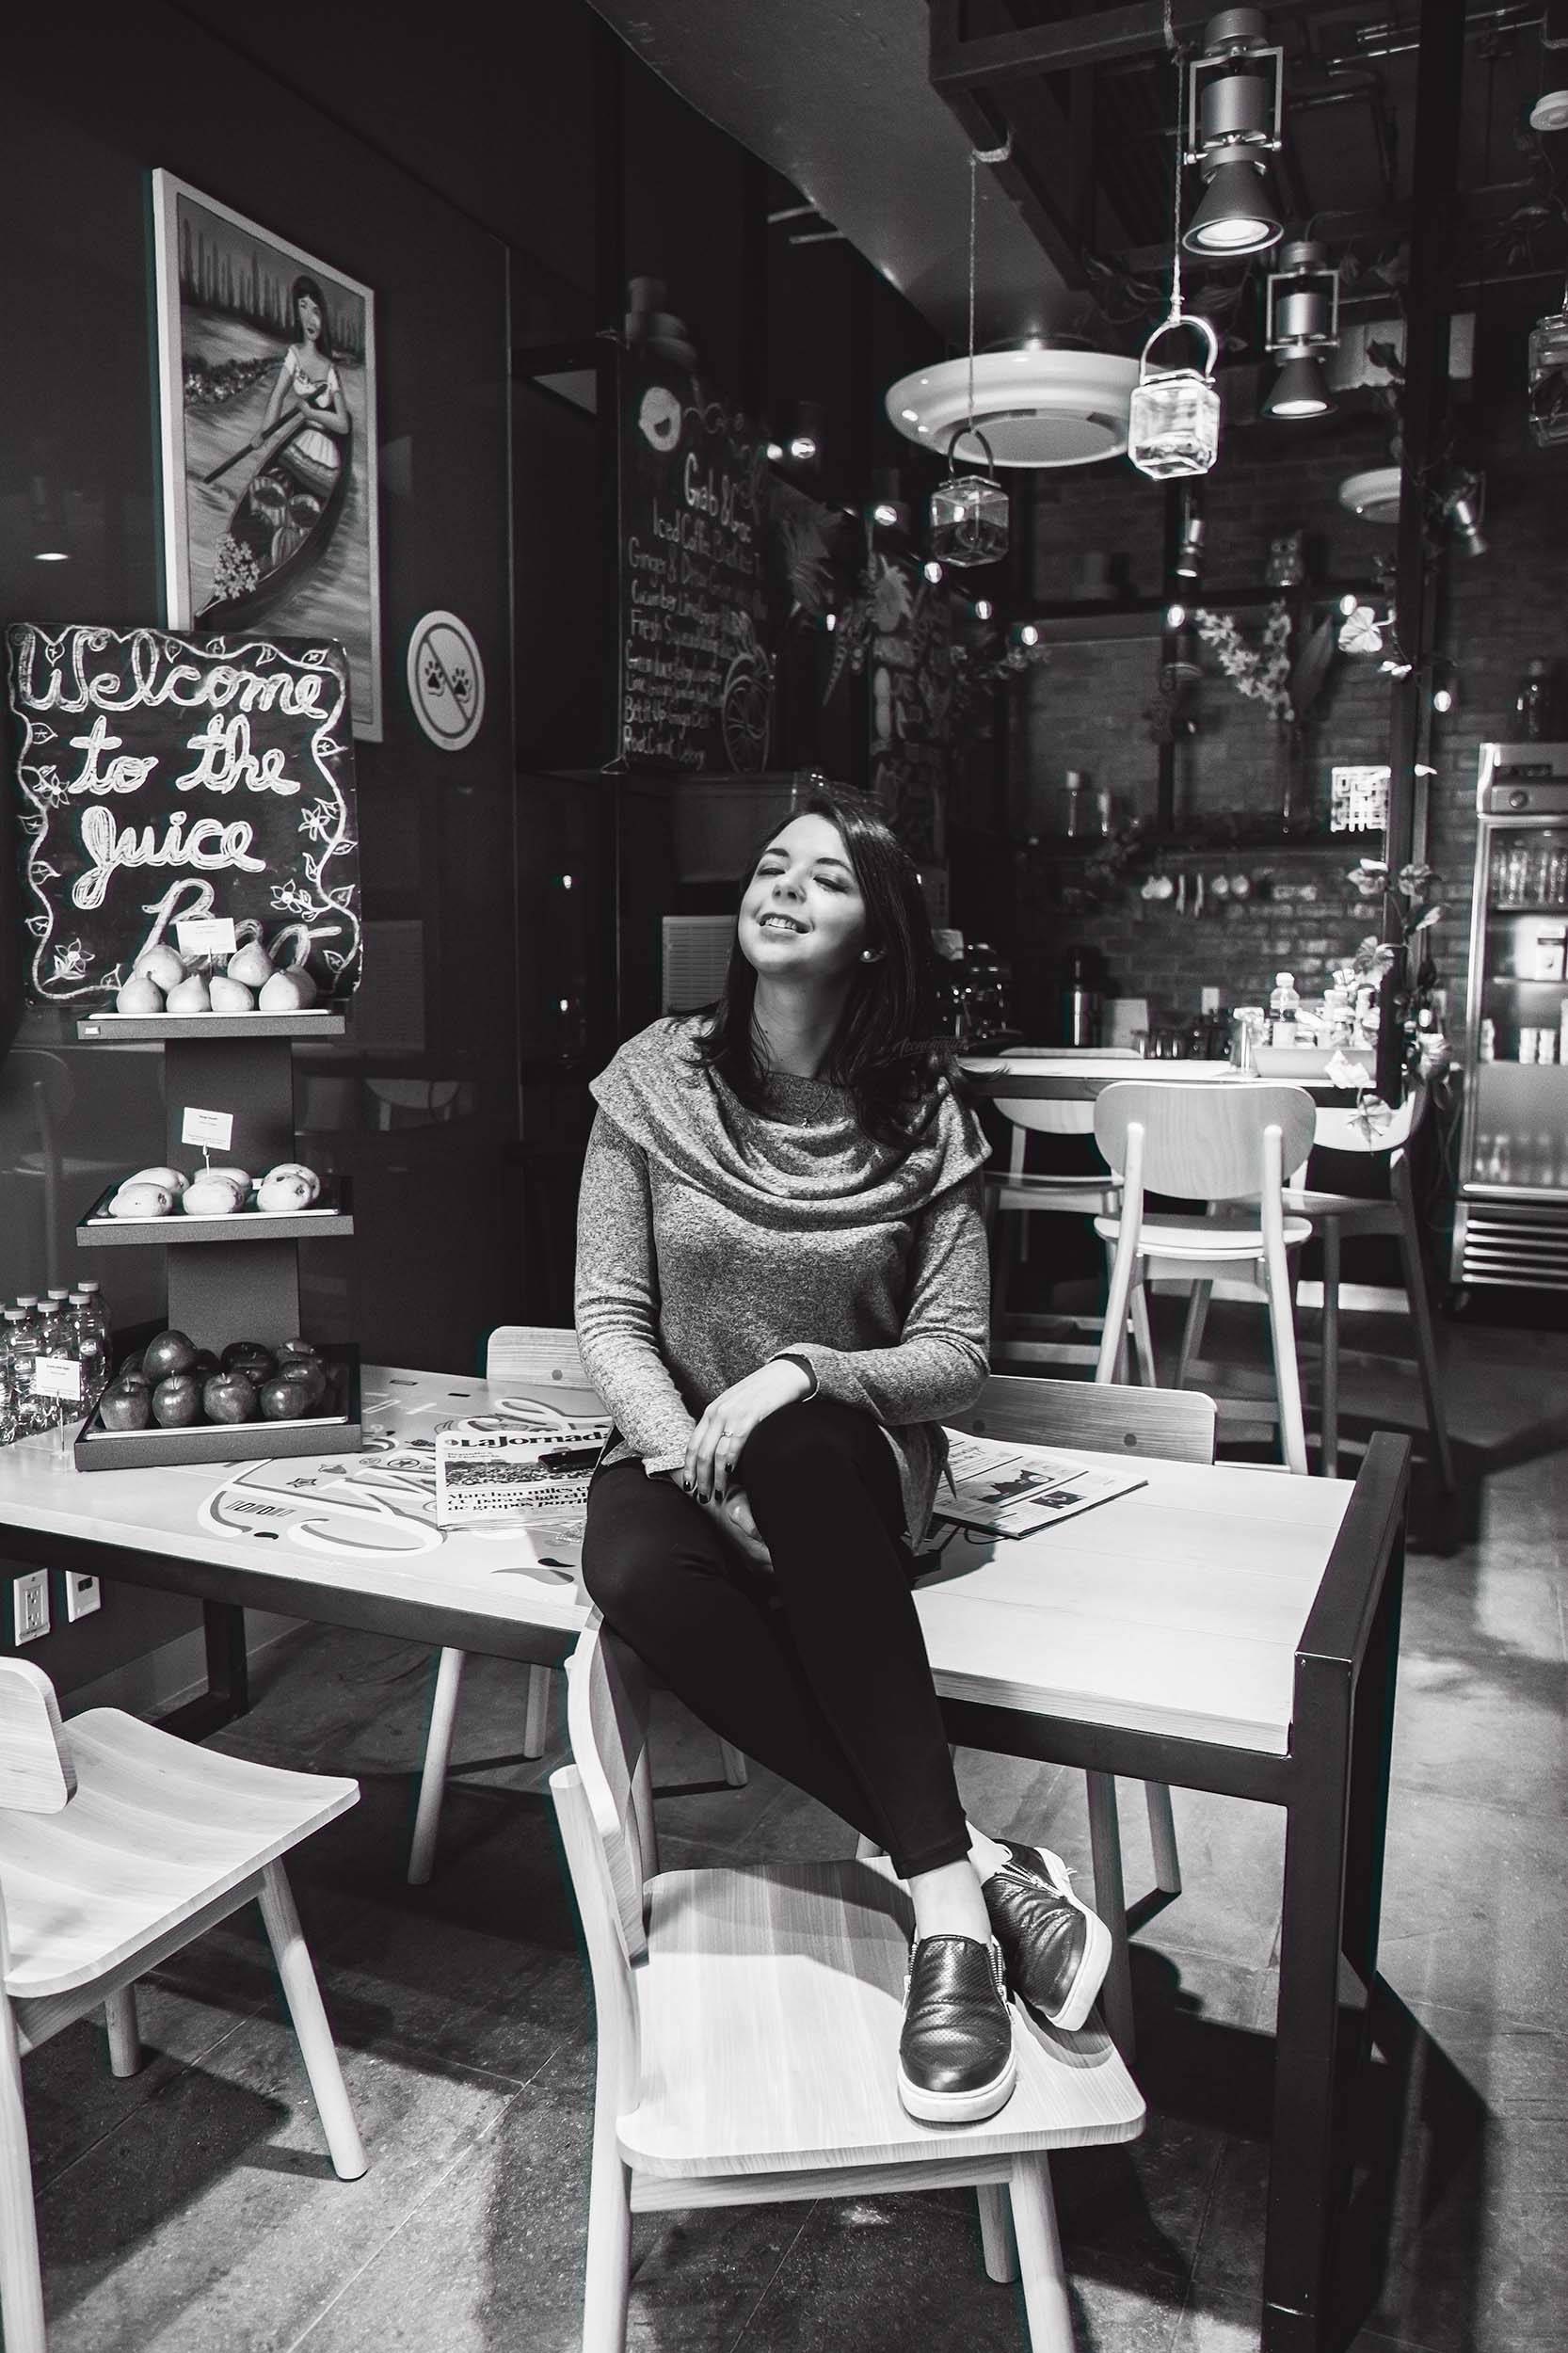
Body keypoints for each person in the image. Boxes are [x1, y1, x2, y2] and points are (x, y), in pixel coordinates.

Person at [575, 792, 1111, 2124]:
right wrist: (692, 1460)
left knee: (806, 1448)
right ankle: (967, 1872)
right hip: (682, 1456)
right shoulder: (649, 1081)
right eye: (772, 866)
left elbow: (956, 1356)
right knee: (630, 1574)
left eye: (826, 878)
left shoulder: (927, 1117)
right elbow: (611, 1316)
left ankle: (945, 1923)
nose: (783, 889)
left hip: (845, 1463)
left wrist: (802, 1372)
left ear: (877, 934)